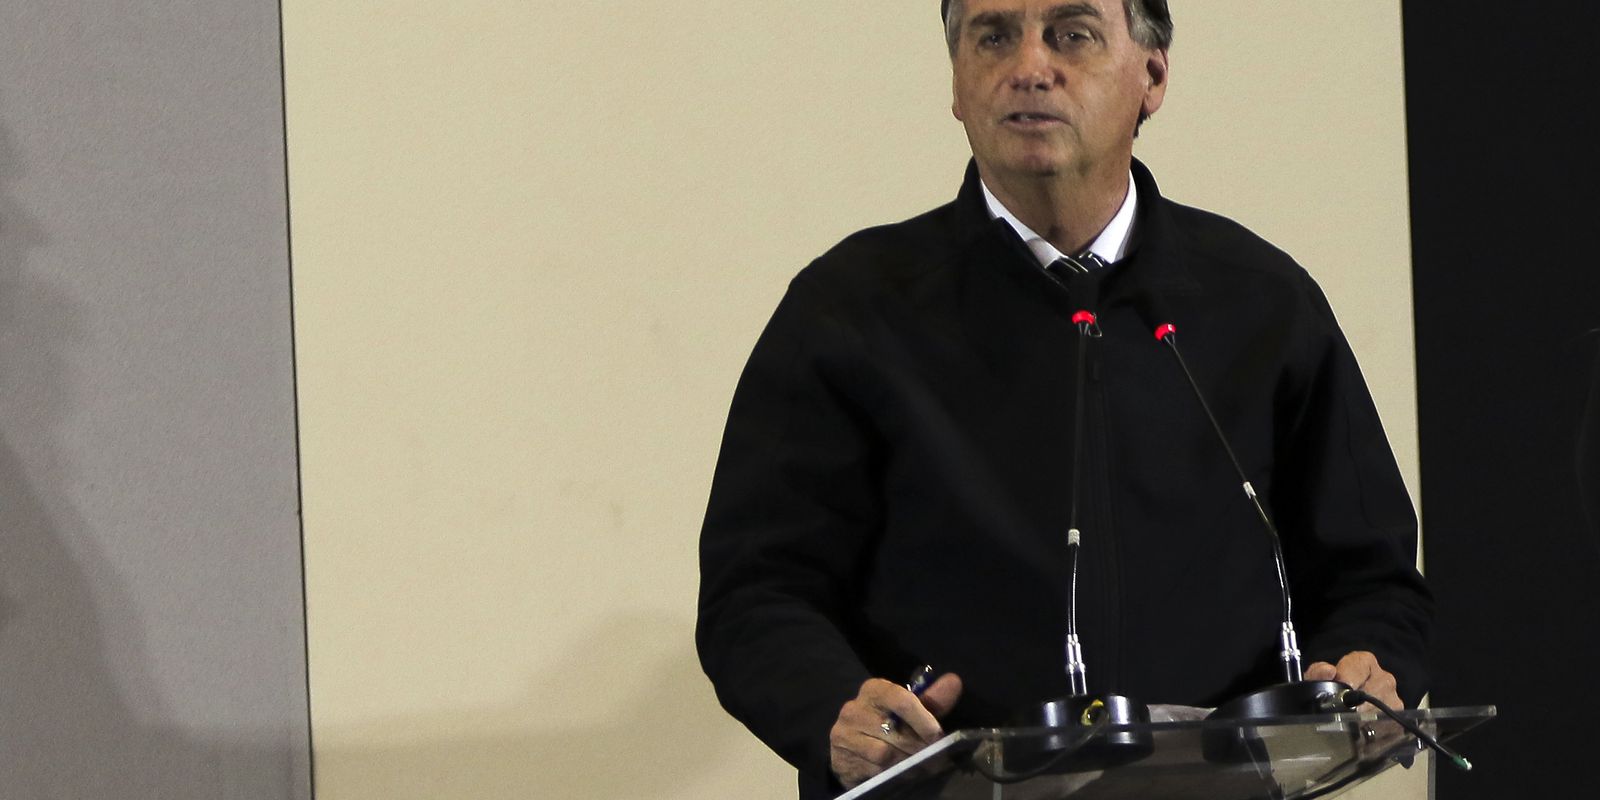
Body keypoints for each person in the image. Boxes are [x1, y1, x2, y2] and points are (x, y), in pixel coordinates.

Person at [695, 2, 1433, 796]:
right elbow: (758, 592)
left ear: (1152, 77)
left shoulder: (1262, 302)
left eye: (1071, 35)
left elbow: (1371, 581)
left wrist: (1367, 667)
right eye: (993, 37)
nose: (1029, 68)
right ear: (957, 83)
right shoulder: (850, 309)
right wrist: (833, 708)